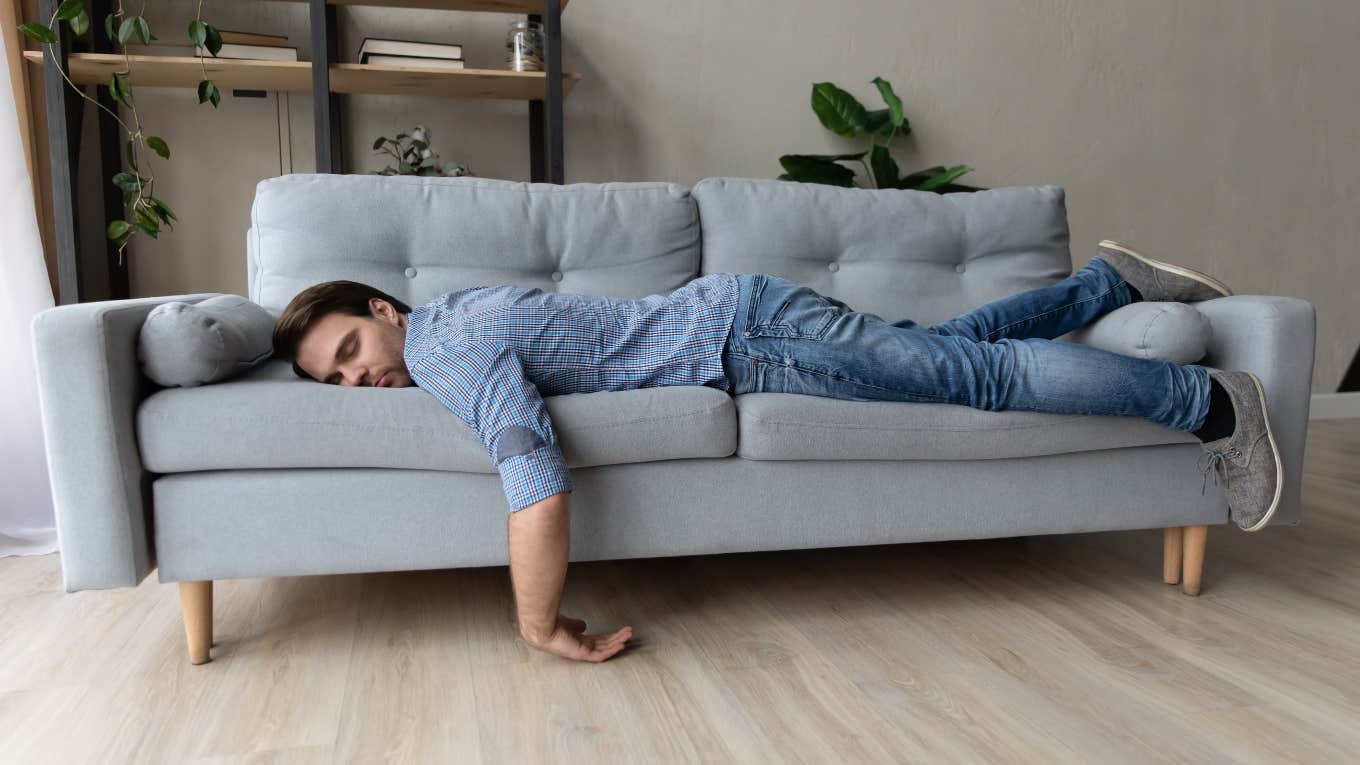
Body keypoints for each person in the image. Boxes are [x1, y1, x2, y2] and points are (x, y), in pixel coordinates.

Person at [272, 240, 1281, 663]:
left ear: (382, 308)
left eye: (354, 349)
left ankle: (1209, 406)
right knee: (951, 353)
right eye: (339, 380)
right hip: (746, 317)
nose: (362, 377)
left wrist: (537, 626)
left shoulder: (445, 347)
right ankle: (1107, 285)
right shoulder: (451, 318)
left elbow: (533, 485)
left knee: (982, 382)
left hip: (748, 341)